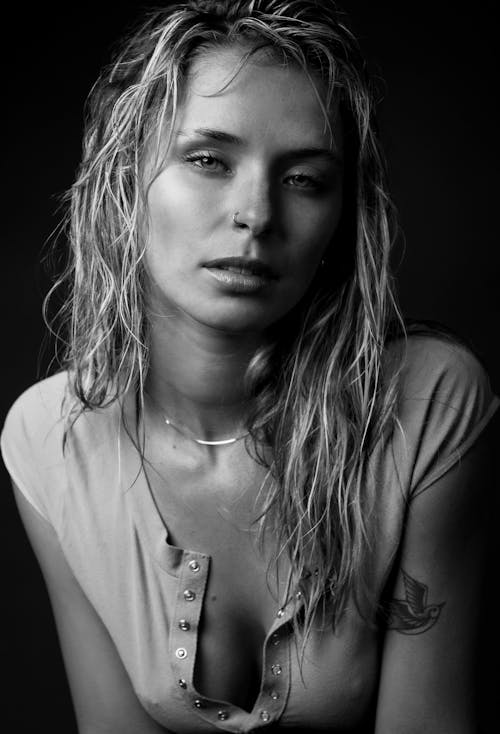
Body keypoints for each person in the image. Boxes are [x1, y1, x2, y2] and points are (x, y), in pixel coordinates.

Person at [2, 1, 498, 732]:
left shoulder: (428, 402)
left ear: (340, 221)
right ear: (124, 181)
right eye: (207, 160)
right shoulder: (52, 438)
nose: (255, 213)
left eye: (304, 178)